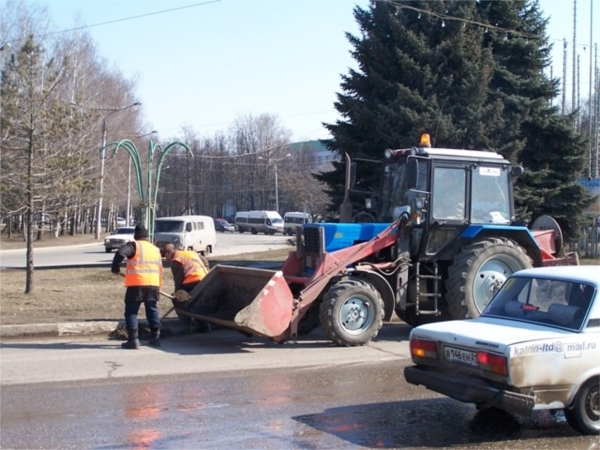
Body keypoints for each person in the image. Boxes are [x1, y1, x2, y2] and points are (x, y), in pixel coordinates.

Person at [111, 223, 163, 349]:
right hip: (153, 284)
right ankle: (156, 337)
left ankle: (133, 340)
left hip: (136, 284)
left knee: (131, 312)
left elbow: (120, 253)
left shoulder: (134, 245)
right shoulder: (155, 249)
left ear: (136, 236)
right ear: (147, 237)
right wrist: (159, 285)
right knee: (152, 310)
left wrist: (115, 268)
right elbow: (160, 269)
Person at [162, 244, 210, 333]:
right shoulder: (189, 253)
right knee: (195, 302)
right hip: (204, 280)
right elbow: (205, 261)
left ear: (170, 252)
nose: (167, 259)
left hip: (192, 281)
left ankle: (186, 327)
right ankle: (203, 325)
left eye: (166, 256)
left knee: (179, 300)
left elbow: (178, 280)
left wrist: (177, 294)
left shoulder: (177, 260)